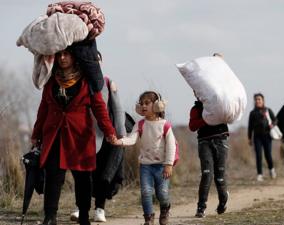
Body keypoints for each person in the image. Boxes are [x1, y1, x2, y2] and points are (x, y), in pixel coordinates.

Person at [31, 49, 117, 225]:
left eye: (67, 54)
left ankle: (84, 217)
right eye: (59, 54)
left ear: (74, 56)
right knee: (53, 177)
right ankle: (50, 217)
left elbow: (99, 108)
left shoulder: (87, 81)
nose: (62, 58)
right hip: (54, 135)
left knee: (83, 178)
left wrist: (109, 132)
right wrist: (36, 133)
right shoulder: (50, 80)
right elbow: (43, 109)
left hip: (80, 137)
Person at [70, 53, 127, 222]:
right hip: (81, 135)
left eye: (96, 60)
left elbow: (117, 109)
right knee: (82, 174)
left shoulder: (108, 82)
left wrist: (120, 134)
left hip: (105, 135)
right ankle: (80, 207)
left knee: (102, 173)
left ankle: (100, 208)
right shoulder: (75, 81)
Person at [114, 91, 176, 225]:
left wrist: (169, 164)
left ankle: (165, 209)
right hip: (146, 166)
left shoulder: (165, 125)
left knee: (162, 193)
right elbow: (132, 139)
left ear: (158, 105)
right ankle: (149, 217)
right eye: (141, 103)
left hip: (162, 166)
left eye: (147, 103)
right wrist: (120, 142)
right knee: (146, 192)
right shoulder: (140, 124)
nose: (143, 106)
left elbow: (171, 146)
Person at [189, 90, 229, 218]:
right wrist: (206, 120)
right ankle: (201, 208)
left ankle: (223, 201)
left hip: (220, 140)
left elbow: (227, 115)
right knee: (207, 174)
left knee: (219, 177)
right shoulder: (195, 109)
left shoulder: (219, 103)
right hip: (204, 142)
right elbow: (192, 126)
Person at [248, 93, 277, 181]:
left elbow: (275, 119)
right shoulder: (252, 113)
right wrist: (249, 138)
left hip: (267, 136)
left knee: (268, 154)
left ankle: (271, 170)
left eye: (259, 99)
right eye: (256, 99)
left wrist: (272, 125)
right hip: (257, 137)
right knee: (258, 155)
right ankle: (259, 174)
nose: (257, 101)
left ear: (263, 100)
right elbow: (250, 127)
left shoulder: (268, 110)